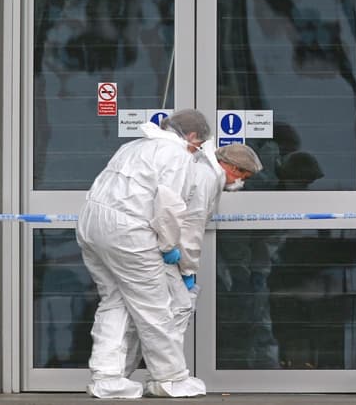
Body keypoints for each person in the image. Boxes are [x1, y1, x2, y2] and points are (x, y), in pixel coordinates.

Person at [76, 110, 211, 398]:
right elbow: (169, 208)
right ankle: (170, 379)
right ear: (190, 136)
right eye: (198, 144)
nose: (195, 150)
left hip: (91, 225)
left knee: (114, 301)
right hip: (128, 232)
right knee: (155, 308)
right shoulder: (177, 155)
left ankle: (107, 377)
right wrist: (169, 247)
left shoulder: (133, 146)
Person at [123, 142, 263, 382]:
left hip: (150, 243)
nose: (241, 182)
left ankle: (125, 375)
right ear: (229, 166)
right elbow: (192, 227)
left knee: (144, 314)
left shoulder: (201, 170)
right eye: (242, 175)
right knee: (177, 308)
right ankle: (166, 378)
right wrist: (187, 268)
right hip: (156, 248)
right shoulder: (207, 178)